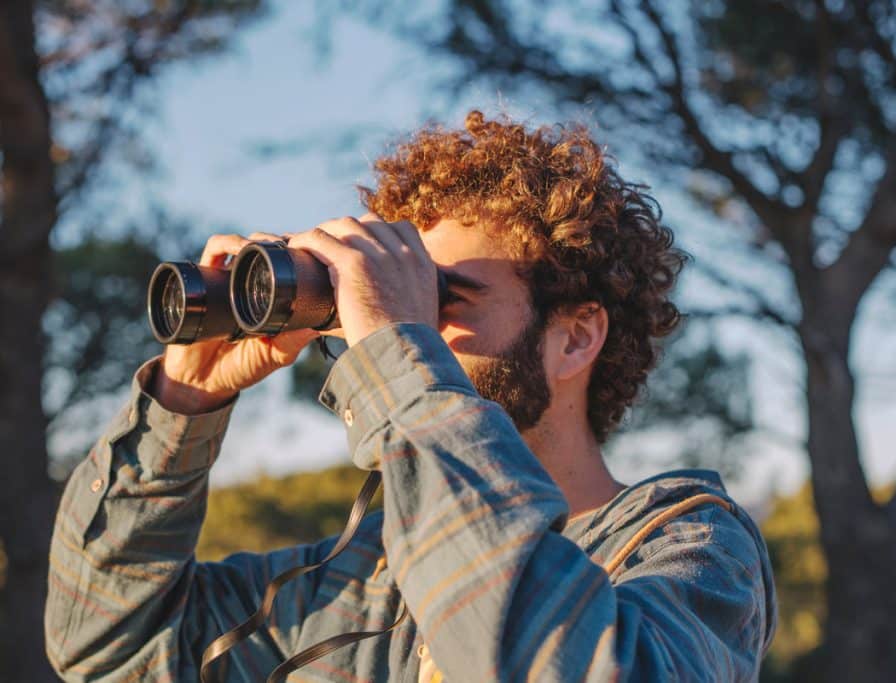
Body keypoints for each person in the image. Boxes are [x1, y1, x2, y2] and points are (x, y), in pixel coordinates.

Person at [45, 111, 776, 682]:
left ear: (576, 338)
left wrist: (399, 351)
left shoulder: (686, 546)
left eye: (442, 298)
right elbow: (104, 644)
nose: (404, 329)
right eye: (395, 295)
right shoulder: (358, 585)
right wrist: (183, 406)